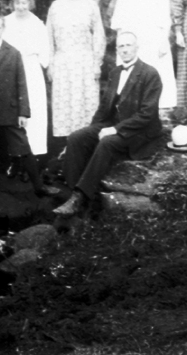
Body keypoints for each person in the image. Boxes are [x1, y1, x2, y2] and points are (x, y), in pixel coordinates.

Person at [53, 31, 163, 217]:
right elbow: (104, 108)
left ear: (137, 47)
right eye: (121, 46)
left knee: (107, 143)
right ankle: (73, 193)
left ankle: (80, 197)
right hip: (115, 124)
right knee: (76, 138)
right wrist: (91, 131)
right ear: (117, 49)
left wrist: (115, 129)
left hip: (139, 132)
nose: (125, 50)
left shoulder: (150, 73)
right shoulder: (115, 73)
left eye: (128, 45)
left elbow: (147, 115)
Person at [0, 13, 60, 212]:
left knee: (23, 147)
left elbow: (21, 84)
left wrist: (23, 112)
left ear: (3, 29)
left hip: (9, 111)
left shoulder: (14, 53)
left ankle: (39, 186)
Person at [110, 0, 177, 109]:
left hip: (153, 39)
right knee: (131, 76)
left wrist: (164, 42)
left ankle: (158, 114)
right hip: (132, 40)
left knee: (155, 75)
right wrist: (121, 45)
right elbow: (119, 21)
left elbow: (165, 20)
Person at [46, 0, 105, 140]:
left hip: (85, 62)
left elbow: (99, 35)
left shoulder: (90, 6)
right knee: (65, 105)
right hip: (62, 62)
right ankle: (67, 145)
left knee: (85, 104)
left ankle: (86, 142)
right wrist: (50, 64)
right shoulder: (56, 6)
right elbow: (48, 37)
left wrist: (97, 63)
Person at [4, 0, 49, 161]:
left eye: (24, 2)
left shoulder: (37, 23)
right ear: (12, 3)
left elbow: (45, 50)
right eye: (17, 2)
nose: (21, 6)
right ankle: (13, 155)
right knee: (12, 108)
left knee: (34, 109)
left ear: (30, 3)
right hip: (10, 69)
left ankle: (33, 155)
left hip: (31, 69)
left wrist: (40, 64)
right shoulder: (6, 22)